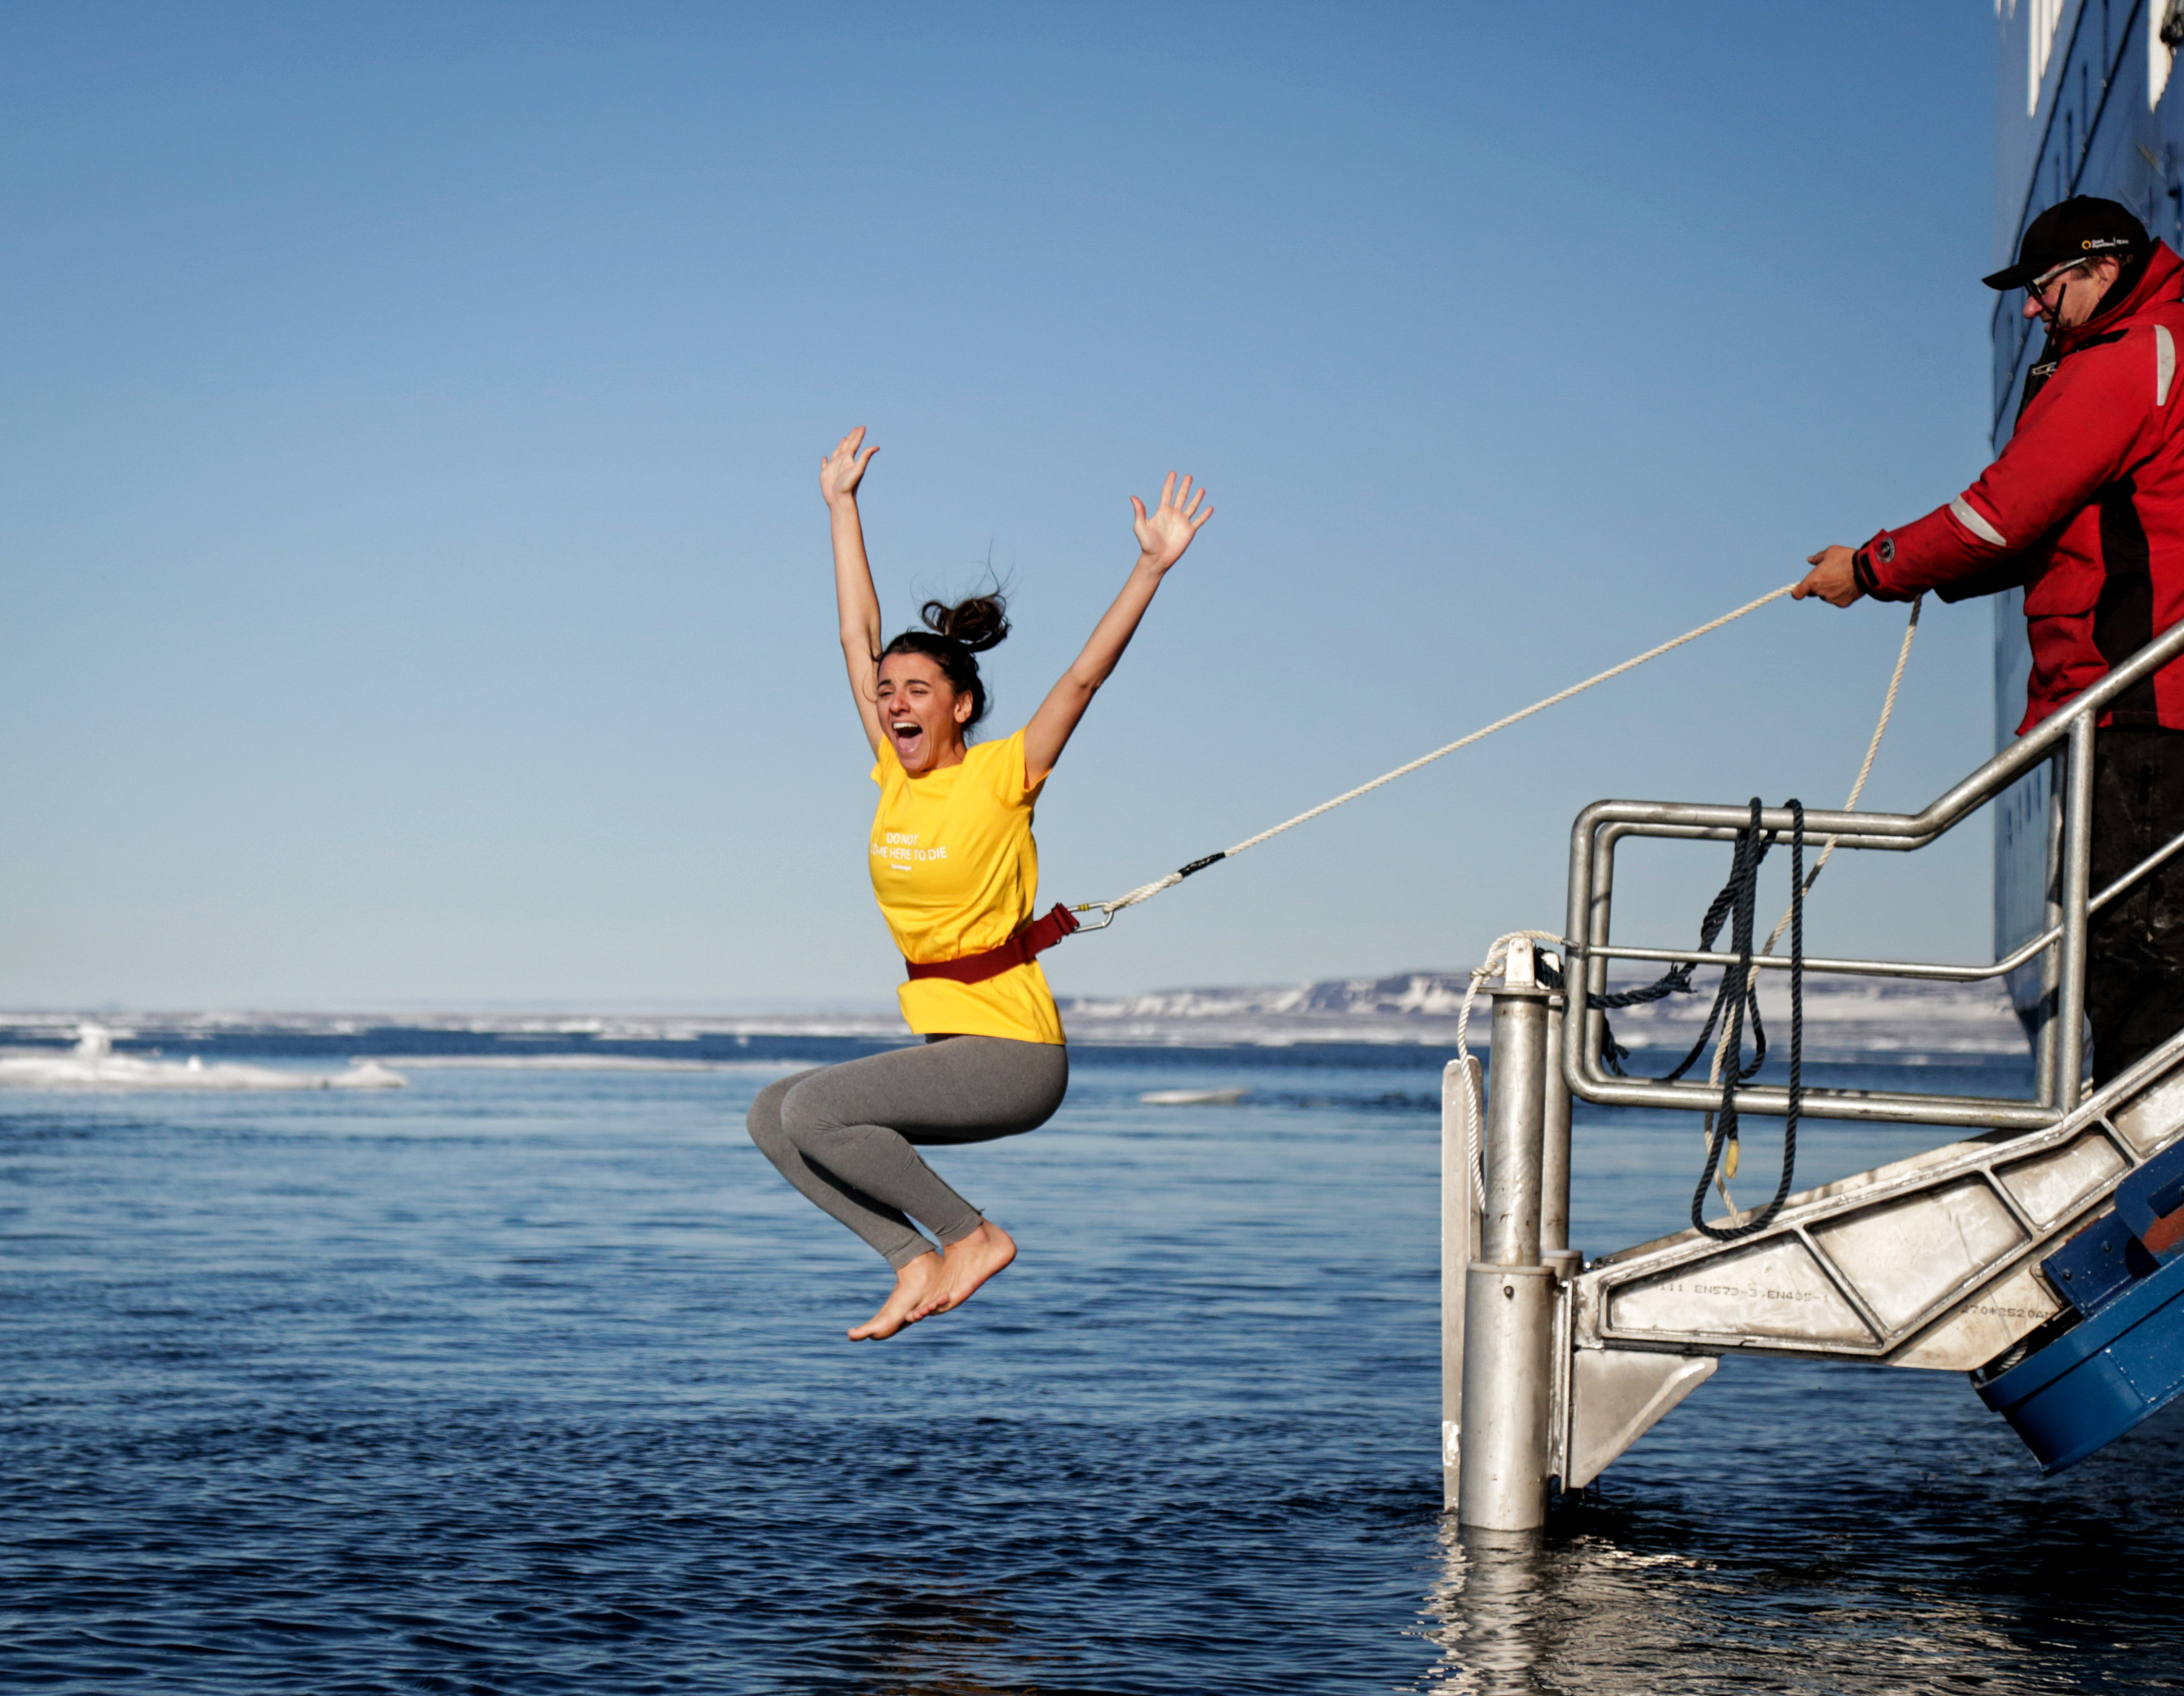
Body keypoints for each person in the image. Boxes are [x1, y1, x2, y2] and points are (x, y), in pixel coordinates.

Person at [747, 427, 1212, 1340]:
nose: (894, 703)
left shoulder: (1002, 774)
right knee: (775, 1117)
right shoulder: (891, 774)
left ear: (960, 703)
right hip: (952, 1045)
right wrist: (842, 506)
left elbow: (1083, 679)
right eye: (887, 691)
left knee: (816, 1106)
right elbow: (854, 634)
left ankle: (971, 1234)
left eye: (916, 690)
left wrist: (1151, 569)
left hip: (1016, 1053)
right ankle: (914, 1256)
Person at [1795, 196, 2184, 1085]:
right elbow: (2049, 530)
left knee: (2136, 949)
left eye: (2045, 288)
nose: (2031, 308)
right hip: (2145, 706)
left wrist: (1871, 568)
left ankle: (2149, 1177)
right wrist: (1918, 572)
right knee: (2143, 942)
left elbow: (2001, 512)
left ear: (2103, 271)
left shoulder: (2125, 361)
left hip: (2140, 708)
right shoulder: (2164, 351)